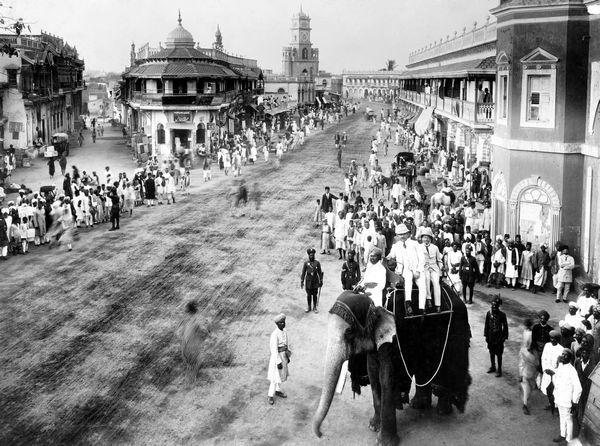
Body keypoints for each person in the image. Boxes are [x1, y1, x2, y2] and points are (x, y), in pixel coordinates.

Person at [551, 349, 581, 444]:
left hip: (567, 400)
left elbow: (578, 388)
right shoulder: (560, 367)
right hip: (559, 398)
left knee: (568, 419)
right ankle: (562, 434)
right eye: (562, 354)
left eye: (565, 355)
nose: (562, 356)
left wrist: (574, 402)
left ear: (570, 358)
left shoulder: (572, 370)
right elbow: (556, 380)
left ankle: (568, 439)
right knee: (562, 417)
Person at [267, 313, 291, 405]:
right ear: (277, 324)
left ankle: (277, 390)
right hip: (277, 358)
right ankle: (270, 396)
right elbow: (273, 350)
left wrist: (287, 357)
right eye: (280, 323)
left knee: (281, 376)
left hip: (283, 355)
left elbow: (286, 344)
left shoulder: (284, 331)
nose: (283, 324)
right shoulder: (274, 334)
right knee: (274, 378)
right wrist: (278, 362)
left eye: (283, 322)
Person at [484, 297, 509, 377]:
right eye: (492, 306)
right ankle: (493, 367)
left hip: (499, 338)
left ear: (498, 307)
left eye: (495, 307)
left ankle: (499, 370)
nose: (493, 308)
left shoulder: (502, 315)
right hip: (491, 336)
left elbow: (505, 327)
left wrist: (504, 337)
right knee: (491, 352)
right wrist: (486, 336)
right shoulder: (488, 313)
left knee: (499, 354)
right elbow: (486, 325)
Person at [420, 227, 443, 311]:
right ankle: (428, 299)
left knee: (436, 283)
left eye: (428, 237)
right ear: (421, 238)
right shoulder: (419, 247)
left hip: (434, 268)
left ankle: (438, 305)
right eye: (424, 237)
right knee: (426, 279)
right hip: (424, 268)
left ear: (430, 239)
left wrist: (441, 266)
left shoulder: (435, 248)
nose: (426, 239)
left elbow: (439, 260)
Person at [541, 330, 564, 412]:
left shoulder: (561, 349)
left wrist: (554, 372)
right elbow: (543, 358)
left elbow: (561, 364)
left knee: (555, 391)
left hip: (555, 373)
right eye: (551, 338)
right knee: (547, 390)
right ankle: (551, 404)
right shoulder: (547, 345)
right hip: (547, 371)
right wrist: (545, 369)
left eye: (554, 338)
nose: (552, 340)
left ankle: (556, 407)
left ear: (557, 339)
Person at [519, 319, 538, 415]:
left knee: (528, 384)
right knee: (527, 384)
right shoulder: (529, 333)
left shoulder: (527, 333)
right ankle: (525, 404)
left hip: (529, 366)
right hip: (528, 367)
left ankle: (525, 401)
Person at [575, 346, 596, 426]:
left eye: (586, 353)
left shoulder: (592, 366)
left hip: (587, 389)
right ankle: (578, 420)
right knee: (577, 404)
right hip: (578, 388)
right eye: (582, 352)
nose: (584, 355)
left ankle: (583, 422)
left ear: (589, 354)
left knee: (584, 406)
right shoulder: (578, 362)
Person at [300, 248, 323, 313]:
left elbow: (320, 272)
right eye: (310, 255)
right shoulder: (306, 263)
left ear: (314, 255)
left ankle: (315, 307)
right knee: (309, 294)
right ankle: (309, 306)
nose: (311, 256)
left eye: (312, 255)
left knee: (315, 294)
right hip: (308, 281)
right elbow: (303, 273)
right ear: (308, 256)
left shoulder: (317, 263)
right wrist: (302, 281)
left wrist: (321, 280)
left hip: (315, 280)